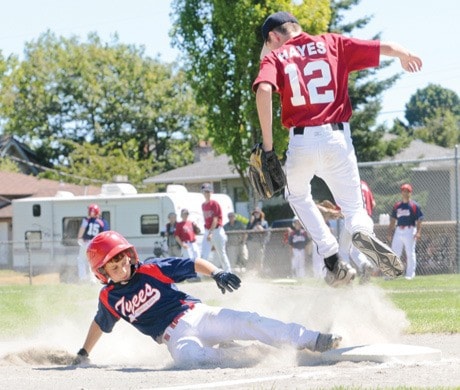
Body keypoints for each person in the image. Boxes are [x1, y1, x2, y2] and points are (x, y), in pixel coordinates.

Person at [253, 11, 421, 286]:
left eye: (269, 43)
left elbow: (264, 90)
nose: (269, 49)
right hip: (337, 139)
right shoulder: (332, 43)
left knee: (297, 195)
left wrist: (268, 148)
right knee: (355, 208)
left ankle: (331, 256)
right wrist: (405, 55)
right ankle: (361, 233)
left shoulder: (276, 55)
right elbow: (385, 47)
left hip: (301, 140)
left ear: (274, 36)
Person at [72, 230, 341, 368]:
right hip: (173, 336)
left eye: (122, 258)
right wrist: (84, 353)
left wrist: (217, 273)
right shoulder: (109, 297)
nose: (121, 266)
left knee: (249, 321)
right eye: (112, 264)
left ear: (130, 254)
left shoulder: (151, 269)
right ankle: (251, 355)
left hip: (196, 314)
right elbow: (99, 324)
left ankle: (313, 339)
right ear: (101, 272)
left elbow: (192, 263)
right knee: (190, 359)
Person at [338, 180, 376, 284]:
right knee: (356, 251)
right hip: (367, 220)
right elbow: (373, 203)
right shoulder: (364, 184)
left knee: (343, 250)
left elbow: (340, 210)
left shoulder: (346, 183)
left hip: (352, 220)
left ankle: (347, 274)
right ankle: (364, 264)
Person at [387, 184, 424, 280]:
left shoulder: (414, 206)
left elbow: (419, 220)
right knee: (395, 252)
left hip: (410, 229)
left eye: (407, 191)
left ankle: (410, 274)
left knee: (409, 252)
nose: (405, 193)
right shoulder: (397, 205)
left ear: (410, 193)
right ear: (401, 192)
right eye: (403, 191)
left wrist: (418, 232)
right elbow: (393, 220)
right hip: (399, 230)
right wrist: (390, 233)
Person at [200, 182, 232, 272]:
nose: (206, 193)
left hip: (216, 230)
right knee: (204, 253)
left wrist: (210, 233)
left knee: (221, 253)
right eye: (205, 191)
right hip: (208, 231)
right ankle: (200, 274)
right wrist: (208, 232)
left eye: (208, 191)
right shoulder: (203, 205)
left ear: (211, 192)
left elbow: (215, 219)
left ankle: (228, 272)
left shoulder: (214, 204)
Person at [77, 203, 108, 281]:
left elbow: (82, 229)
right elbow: (104, 234)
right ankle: (93, 279)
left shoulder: (87, 220)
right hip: (96, 243)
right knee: (93, 261)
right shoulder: (102, 222)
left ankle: (83, 278)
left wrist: (79, 238)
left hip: (86, 242)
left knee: (81, 260)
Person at [246, 207, 269, 273]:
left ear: (260, 213)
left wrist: (262, 229)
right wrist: (252, 227)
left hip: (260, 243)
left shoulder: (264, 222)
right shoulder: (251, 222)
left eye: (258, 212)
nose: (256, 214)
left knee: (259, 259)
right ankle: (250, 273)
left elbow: (267, 233)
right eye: (255, 213)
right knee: (251, 258)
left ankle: (259, 273)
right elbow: (247, 231)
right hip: (251, 242)